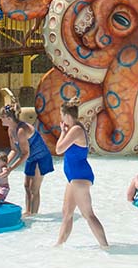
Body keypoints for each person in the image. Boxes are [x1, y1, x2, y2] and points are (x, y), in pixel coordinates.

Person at [55, 103, 108, 247]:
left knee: (88, 214)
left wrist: (63, 132)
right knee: (67, 213)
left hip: (80, 176)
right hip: (73, 177)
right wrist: (64, 132)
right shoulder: (73, 129)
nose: (61, 118)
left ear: (66, 115)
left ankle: (106, 246)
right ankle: (58, 246)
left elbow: (59, 149)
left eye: (61, 115)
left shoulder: (76, 130)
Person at [0, 104, 54, 217]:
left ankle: (34, 215)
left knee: (34, 188)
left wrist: (10, 169)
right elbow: (14, 150)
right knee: (26, 186)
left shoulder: (21, 130)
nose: (0, 119)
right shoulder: (10, 130)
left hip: (41, 157)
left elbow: (25, 153)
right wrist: (4, 164)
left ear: (9, 119)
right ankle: (28, 212)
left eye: (2, 117)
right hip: (31, 157)